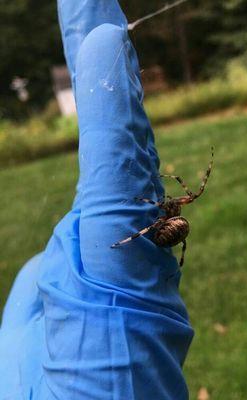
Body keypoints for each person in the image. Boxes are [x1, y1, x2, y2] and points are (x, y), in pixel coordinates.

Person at [0, 1, 193, 398]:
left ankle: (128, 245)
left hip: (159, 235)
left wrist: (144, 229)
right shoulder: (169, 217)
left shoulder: (163, 219)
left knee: (136, 231)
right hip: (163, 234)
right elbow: (184, 206)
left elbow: (185, 203)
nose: (173, 203)